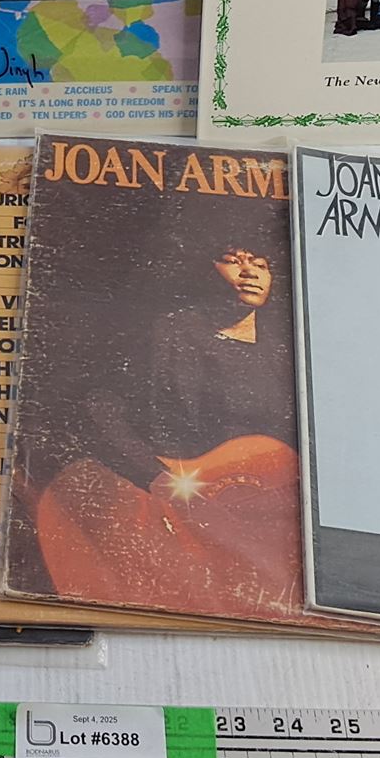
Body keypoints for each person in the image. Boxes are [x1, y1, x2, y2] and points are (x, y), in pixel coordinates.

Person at [22, 209, 300, 621]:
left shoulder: (286, 347)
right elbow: (101, 407)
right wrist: (154, 475)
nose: (249, 272)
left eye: (261, 264)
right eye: (232, 260)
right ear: (205, 269)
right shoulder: (169, 333)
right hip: (167, 497)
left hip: (261, 511)